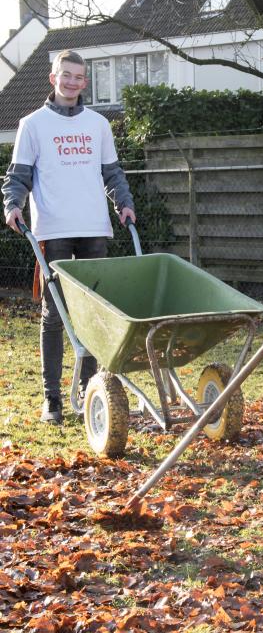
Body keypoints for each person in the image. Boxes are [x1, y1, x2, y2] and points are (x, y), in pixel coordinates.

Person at [2, 49, 136, 425]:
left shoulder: (98, 125)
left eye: (79, 76)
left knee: (92, 314)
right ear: (53, 78)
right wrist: (12, 205)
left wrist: (123, 203)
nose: (72, 82)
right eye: (66, 75)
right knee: (54, 315)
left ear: (85, 82)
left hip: (94, 229)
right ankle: (52, 399)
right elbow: (17, 177)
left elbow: (112, 174)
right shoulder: (33, 125)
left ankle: (91, 388)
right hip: (53, 231)